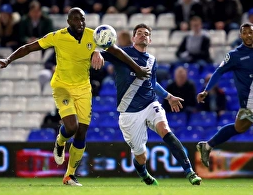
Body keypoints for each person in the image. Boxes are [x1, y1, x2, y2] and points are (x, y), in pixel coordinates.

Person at [0, 7, 150, 186]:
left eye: (82, 19)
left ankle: (70, 176)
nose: (80, 23)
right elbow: (29, 47)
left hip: (83, 89)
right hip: (62, 87)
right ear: (68, 22)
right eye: (76, 20)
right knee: (71, 127)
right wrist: (8, 60)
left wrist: (136, 68)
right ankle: (60, 141)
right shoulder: (57, 36)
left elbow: (117, 51)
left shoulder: (93, 36)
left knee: (82, 131)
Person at [101, 23, 202, 185]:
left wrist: (168, 96)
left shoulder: (152, 60)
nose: (143, 35)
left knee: (165, 130)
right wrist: (98, 55)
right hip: (129, 112)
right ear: (133, 38)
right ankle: (143, 173)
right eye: (139, 33)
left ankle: (189, 172)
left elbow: (151, 83)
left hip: (150, 104)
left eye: (146, 33)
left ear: (150, 39)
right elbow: (102, 54)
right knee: (141, 155)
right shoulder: (122, 53)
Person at [196, 22, 253, 168]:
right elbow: (218, 72)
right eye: (245, 33)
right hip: (248, 101)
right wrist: (206, 90)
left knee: (239, 128)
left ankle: (208, 146)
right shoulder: (235, 56)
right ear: (240, 36)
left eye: (251, 32)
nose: (248, 35)